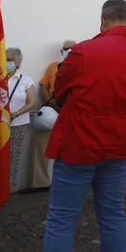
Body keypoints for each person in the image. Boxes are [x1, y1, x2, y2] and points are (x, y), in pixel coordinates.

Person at [8, 0, 126, 252]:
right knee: (114, 216)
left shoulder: (85, 52)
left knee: (61, 223)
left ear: (103, 21)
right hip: (120, 146)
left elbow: (60, 88)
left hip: (80, 144)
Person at [28, 40, 76, 192]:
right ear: (62, 51)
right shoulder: (53, 67)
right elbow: (43, 85)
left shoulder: (81, 68)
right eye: (66, 48)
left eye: (72, 49)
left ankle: (72, 182)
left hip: (72, 113)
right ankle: (40, 183)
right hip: (52, 113)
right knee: (39, 144)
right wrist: (52, 102)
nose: (68, 50)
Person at [3, 47, 38, 192]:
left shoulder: (25, 81)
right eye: (4, 59)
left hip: (16, 124)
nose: (6, 62)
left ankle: (5, 191)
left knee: (11, 160)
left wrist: (16, 113)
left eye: (10, 60)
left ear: (18, 62)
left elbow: (31, 102)